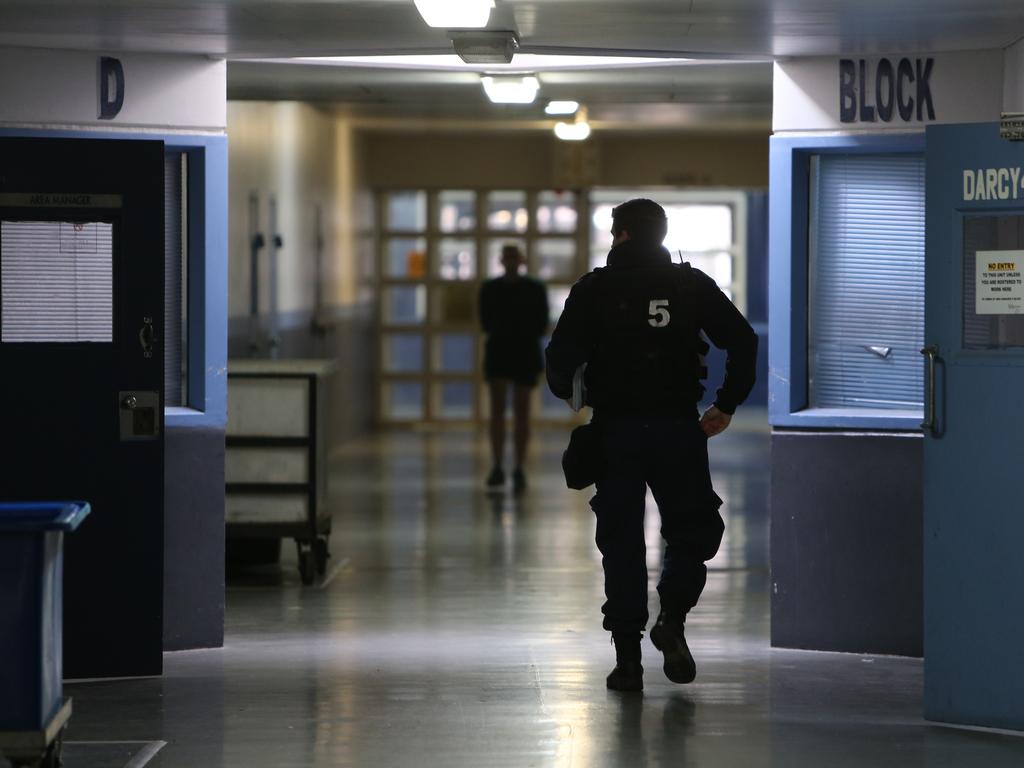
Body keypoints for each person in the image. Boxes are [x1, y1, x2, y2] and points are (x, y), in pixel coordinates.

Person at [545, 198, 757, 692]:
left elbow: (560, 359)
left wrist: (572, 393)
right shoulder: (689, 283)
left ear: (618, 233)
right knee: (690, 530)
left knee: (620, 541)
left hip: (615, 432)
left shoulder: (594, 288)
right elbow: (742, 339)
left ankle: (627, 663)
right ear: (661, 235)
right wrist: (726, 403)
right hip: (677, 431)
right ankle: (672, 620)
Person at [479, 243, 549, 493]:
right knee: (515, 413)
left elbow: (486, 323)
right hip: (521, 351)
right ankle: (510, 466)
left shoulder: (491, 289)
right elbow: (541, 324)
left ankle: (507, 466)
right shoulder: (533, 289)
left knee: (509, 413)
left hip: (507, 351)